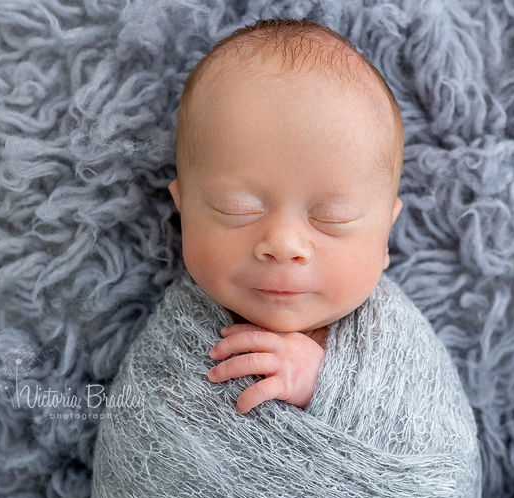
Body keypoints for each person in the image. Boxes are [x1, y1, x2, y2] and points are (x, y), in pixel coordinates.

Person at [167, 17, 404, 413]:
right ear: (182, 208)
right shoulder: (171, 340)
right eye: (237, 208)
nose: (283, 244)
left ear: (386, 235)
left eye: (333, 217)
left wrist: (328, 386)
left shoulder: (395, 342)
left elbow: (435, 452)